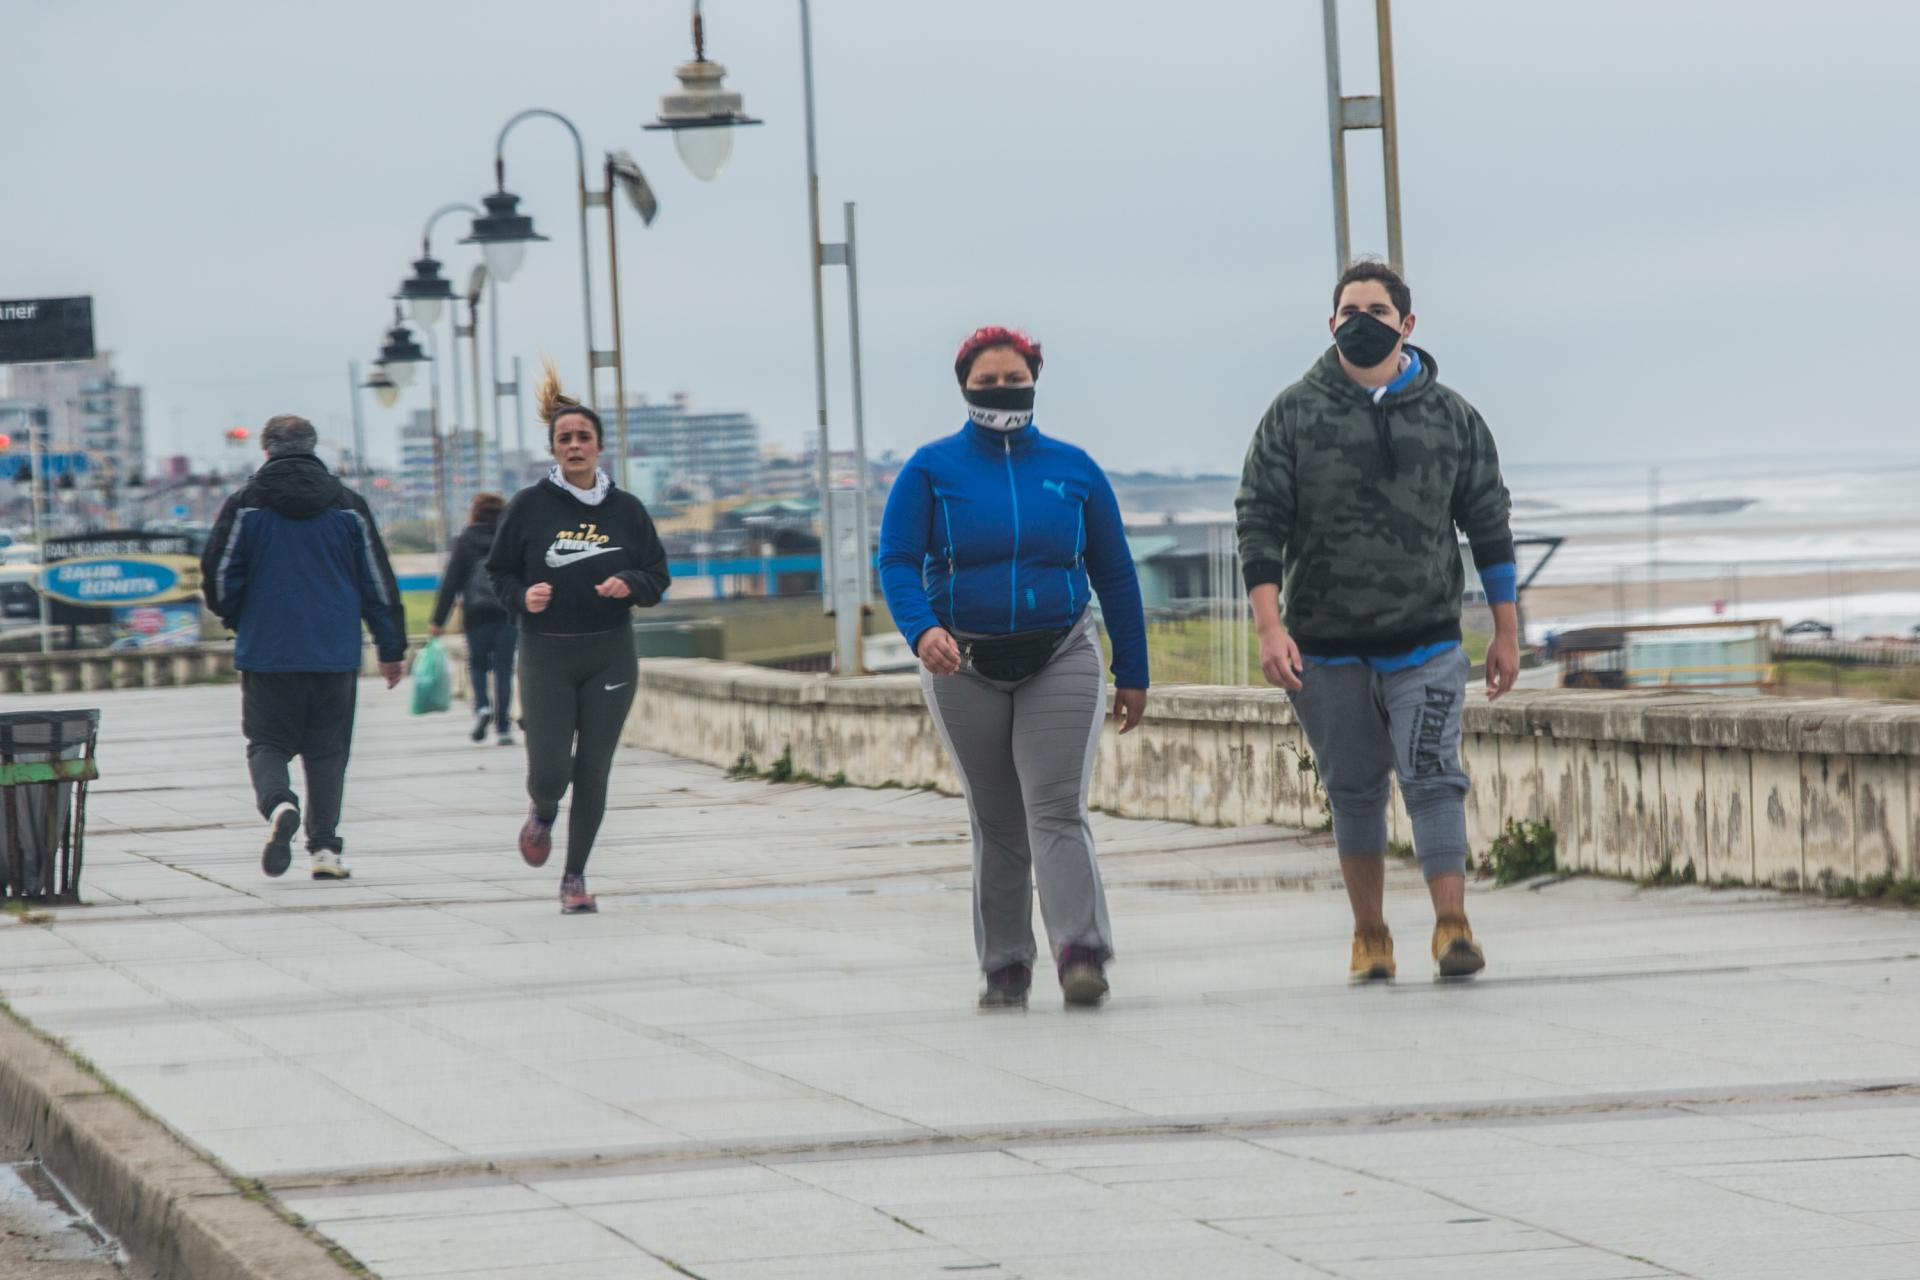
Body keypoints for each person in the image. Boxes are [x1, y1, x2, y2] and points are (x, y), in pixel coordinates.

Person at [1235, 260, 1519, 983]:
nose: (1363, 321)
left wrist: (1507, 631)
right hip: (1326, 648)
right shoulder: (1294, 413)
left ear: (1407, 325)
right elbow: (1259, 524)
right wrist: (1271, 630)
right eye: (1349, 310)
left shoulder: (1451, 415)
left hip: (1424, 641)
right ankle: (1370, 935)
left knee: (1432, 776)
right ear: (1331, 323)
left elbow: (1488, 523)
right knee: (1354, 789)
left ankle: (1453, 926)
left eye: (1378, 310)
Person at [878, 326, 1149, 1010]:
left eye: (1014, 379)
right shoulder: (930, 470)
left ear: (1035, 379)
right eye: (987, 383)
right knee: (997, 820)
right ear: (964, 386)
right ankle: (1005, 964)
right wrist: (922, 631)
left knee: (1055, 809)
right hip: (962, 662)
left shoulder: (1074, 468)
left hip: (1060, 652)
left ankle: (1080, 951)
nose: (1003, 392)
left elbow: (1114, 572)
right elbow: (897, 561)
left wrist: (1135, 670)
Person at [487, 360, 670, 914]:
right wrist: (523, 598)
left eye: (583, 436)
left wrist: (629, 584)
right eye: (564, 437)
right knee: (550, 772)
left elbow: (658, 578)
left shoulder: (627, 510)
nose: (574, 444)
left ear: (599, 448)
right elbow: (497, 573)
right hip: (546, 653)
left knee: (593, 767)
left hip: (609, 652)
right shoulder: (528, 507)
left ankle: (574, 877)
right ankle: (542, 810)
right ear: (553, 449)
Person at [200, 414, 407, 881]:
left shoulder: (246, 505)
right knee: (328, 752)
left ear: (265, 448)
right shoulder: (348, 505)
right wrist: (391, 647)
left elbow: (217, 573)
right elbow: (377, 579)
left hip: (267, 650)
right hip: (333, 651)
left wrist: (238, 615)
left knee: (267, 742)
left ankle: (279, 805)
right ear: (314, 447)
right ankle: (325, 851)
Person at [430, 492, 516, 746]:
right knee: (503, 669)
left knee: (477, 665)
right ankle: (503, 728)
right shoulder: (508, 538)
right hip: (507, 612)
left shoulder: (465, 540)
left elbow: (451, 583)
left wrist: (438, 621)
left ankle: (481, 707)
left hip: (476, 613)